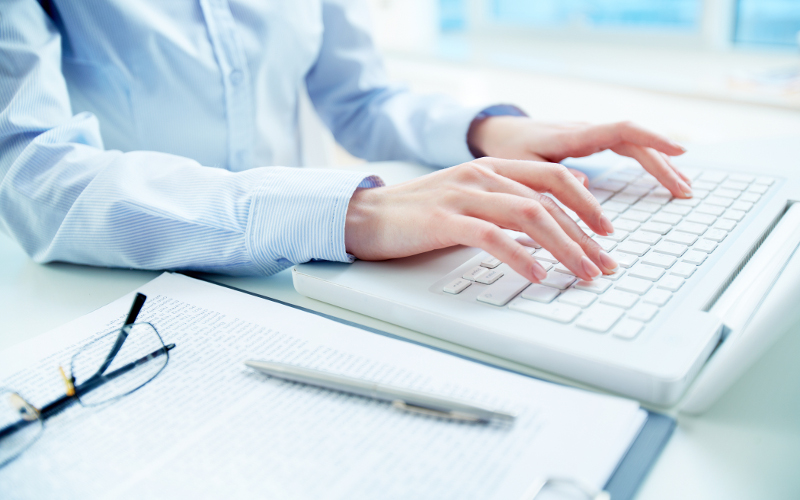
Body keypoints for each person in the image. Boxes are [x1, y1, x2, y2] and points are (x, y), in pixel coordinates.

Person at [0, 0, 692, 285]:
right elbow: (34, 171)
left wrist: (492, 131)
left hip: (303, 274)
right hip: (123, 286)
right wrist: (348, 213)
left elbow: (360, 99)